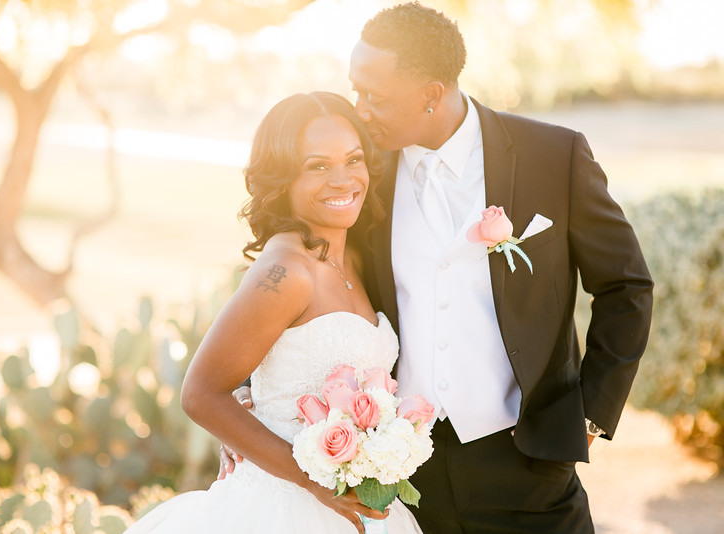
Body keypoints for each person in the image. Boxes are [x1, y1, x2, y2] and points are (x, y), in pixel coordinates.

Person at [223, 3, 654, 533]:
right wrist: (249, 395)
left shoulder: (553, 155)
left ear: (431, 94)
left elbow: (626, 286)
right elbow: (307, 273)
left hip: (528, 458)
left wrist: (590, 414)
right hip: (401, 470)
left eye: (374, 96)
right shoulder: (362, 174)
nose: (360, 108)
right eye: (355, 89)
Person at [124, 92, 423, 533]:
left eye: (353, 160)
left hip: (359, 506)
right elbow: (201, 393)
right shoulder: (287, 271)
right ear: (283, 180)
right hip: (285, 508)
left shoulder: (355, 254)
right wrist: (315, 483)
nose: (343, 180)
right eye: (318, 166)